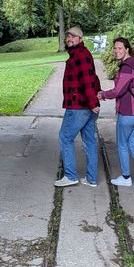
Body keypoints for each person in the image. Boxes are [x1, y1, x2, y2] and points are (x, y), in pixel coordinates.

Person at [98, 37, 134, 192]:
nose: (116, 51)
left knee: (122, 144)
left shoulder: (126, 68)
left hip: (129, 113)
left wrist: (102, 94)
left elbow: (118, 91)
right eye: (115, 48)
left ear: (127, 49)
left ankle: (126, 177)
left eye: (120, 48)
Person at [55, 26, 101, 188]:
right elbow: (94, 78)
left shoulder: (80, 56)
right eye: (68, 36)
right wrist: (96, 98)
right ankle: (91, 179)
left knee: (65, 137)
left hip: (79, 107)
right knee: (89, 141)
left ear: (80, 39)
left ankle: (71, 176)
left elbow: (88, 82)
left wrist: (93, 102)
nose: (69, 38)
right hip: (86, 106)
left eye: (73, 36)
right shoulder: (81, 54)